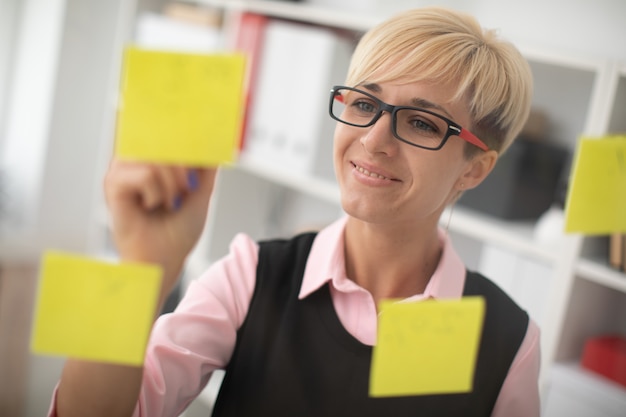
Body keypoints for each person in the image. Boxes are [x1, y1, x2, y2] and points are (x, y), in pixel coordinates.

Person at [49, 6, 540, 417]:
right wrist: (140, 267)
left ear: (474, 170)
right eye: (365, 102)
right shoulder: (251, 275)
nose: (373, 140)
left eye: (421, 122)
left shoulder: (509, 341)